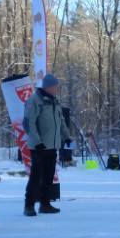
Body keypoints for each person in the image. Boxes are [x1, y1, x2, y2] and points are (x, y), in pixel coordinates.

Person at [23, 73, 69, 216]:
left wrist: (66, 137)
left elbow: (60, 121)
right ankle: (29, 206)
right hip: (39, 147)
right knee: (36, 177)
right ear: (48, 87)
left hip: (52, 145)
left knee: (49, 176)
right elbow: (28, 123)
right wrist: (37, 142)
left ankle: (45, 204)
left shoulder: (54, 101)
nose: (57, 89)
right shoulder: (34, 100)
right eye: (55, 87)